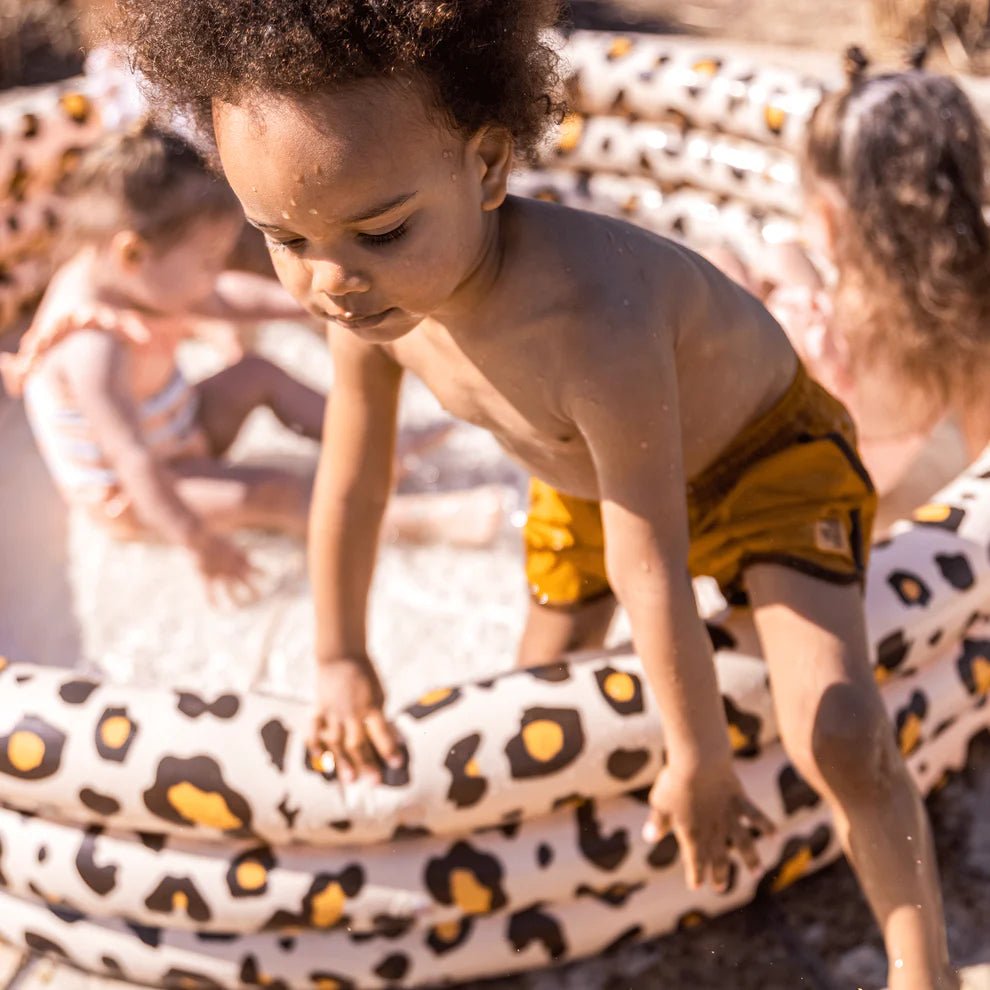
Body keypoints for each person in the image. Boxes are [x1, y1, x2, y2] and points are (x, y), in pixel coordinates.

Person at [117, 4, 955, 986]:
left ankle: (919, 963)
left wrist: (703, 757)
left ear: (486, 166)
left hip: (761, 467)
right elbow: (350, 484)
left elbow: (653, 554)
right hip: (590, 486)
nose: (331, 279)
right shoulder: (369, 303)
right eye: (281, 238)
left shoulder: (592, 316)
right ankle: (581, 889)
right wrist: (340, 655)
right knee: (523, 720)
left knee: (842, 732)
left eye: (381, 230)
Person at [1, 123, 504, 605]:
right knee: (273, 492)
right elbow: (134, 464)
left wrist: (306, 304)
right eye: (205, 263)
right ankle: (414, 520)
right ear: (132, 253)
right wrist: (199, 542)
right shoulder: (92, 349)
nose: (214, 274)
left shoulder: (126, 275)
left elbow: (223, 299)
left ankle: (375, 444)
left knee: (257, 373)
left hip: (179, 424)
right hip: (144, 492)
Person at [743, 47, 990, 507]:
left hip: (817, 487)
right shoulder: (970, 318)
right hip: (883, 473)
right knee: (785, 258)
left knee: (752, 261)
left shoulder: (807, 329)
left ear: (829, 221)